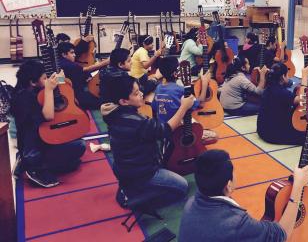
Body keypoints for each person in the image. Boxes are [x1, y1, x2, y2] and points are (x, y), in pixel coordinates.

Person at [178, 149, 308, 242]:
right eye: (234, 170)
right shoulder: (236, 222)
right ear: (228, 186)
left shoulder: (191, 202)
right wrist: (298, 187)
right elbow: (282, 234)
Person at [101, 75, 194, 208]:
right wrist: (183, 107)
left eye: (139, 90)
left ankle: (130, 188)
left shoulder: (113, 112)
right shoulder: (136, 122)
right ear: (123, 101)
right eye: (136, 93)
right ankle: (139, 197)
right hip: (142, 172)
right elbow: (165, 130)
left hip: (125, 168)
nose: (141, 94)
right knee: (182, 187)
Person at [10, 60, 86, 188]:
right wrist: (49, 89)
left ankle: (27, 161)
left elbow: (62, 85)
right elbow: (49, 116)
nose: (48, 80)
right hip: (34, 147)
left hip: (43, 137)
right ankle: (32, 166)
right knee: (79, 148)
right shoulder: (24, 99)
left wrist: (61, 77)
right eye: (45, 78)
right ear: (33, 82)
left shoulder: (32, 89)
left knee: (77, 143)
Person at [151, 57, 217, 143]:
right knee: (214, 136)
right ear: (176, 73)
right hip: (178, 132)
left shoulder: (158, 88)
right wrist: (204, 83)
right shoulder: (180, 90)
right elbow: (201, 104)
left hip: (163, 129)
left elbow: (155, 107)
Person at [257, 63, 308, 145]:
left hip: (262, 130)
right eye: (287, 75)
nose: (289, 77)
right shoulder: (281, 92)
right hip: (272, 135)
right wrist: (304, 76)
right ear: (283, 76)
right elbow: (302, 99)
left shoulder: (269, 87)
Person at [57, 42, 109, 110]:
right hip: (74, 95)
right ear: (64, 54)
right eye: (72, 53)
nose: (74, 55)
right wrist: (103, 63)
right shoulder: (71, 66)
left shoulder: (59, 63)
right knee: (102, 102)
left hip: (66, 93)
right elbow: (85, 71)